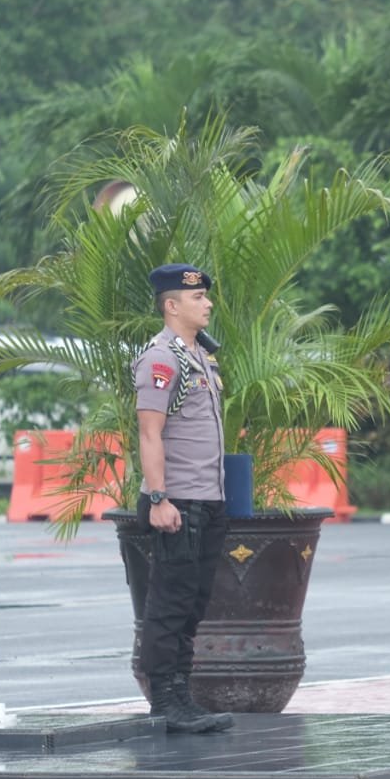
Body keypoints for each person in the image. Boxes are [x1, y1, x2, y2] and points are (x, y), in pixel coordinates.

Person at [132, 263, 233, 733]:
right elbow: (149, 433)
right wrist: (159, 498)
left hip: (207, 499)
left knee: (192, 603)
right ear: (171, 305)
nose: (207, 303)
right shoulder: (162, 359)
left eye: (206, 296)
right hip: (176, 502)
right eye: (197, 298)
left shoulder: (200, 357)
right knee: (170, 603)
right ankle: (164, 700)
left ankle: (181, 696)